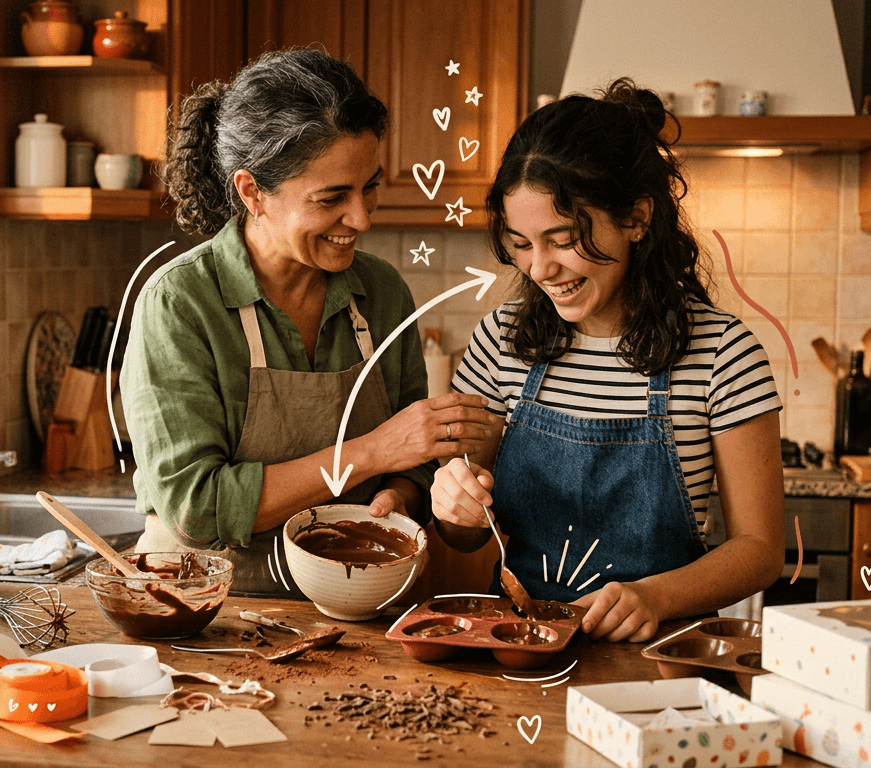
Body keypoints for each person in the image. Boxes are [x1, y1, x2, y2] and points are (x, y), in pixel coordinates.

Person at [123, 49, 495, 596]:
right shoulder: (181, 303)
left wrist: (401, 495)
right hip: (205, 616)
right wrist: (372, 452)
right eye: (332, 198)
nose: (363, 218)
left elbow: (416, 461)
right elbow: (196, 509)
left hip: (362, 607)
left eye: (369, 186)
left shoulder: (381, 293)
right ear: (252, 192)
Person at [432, 79, 785, 642]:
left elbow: (762, 550)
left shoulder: (723, 353)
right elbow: (465, 537)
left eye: (563, 238)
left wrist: (656, 596)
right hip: (521, 652)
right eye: (522, 244)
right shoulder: (499, 341)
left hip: (660, 661)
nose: (540, 268)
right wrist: (453, 504)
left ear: (637, 219)